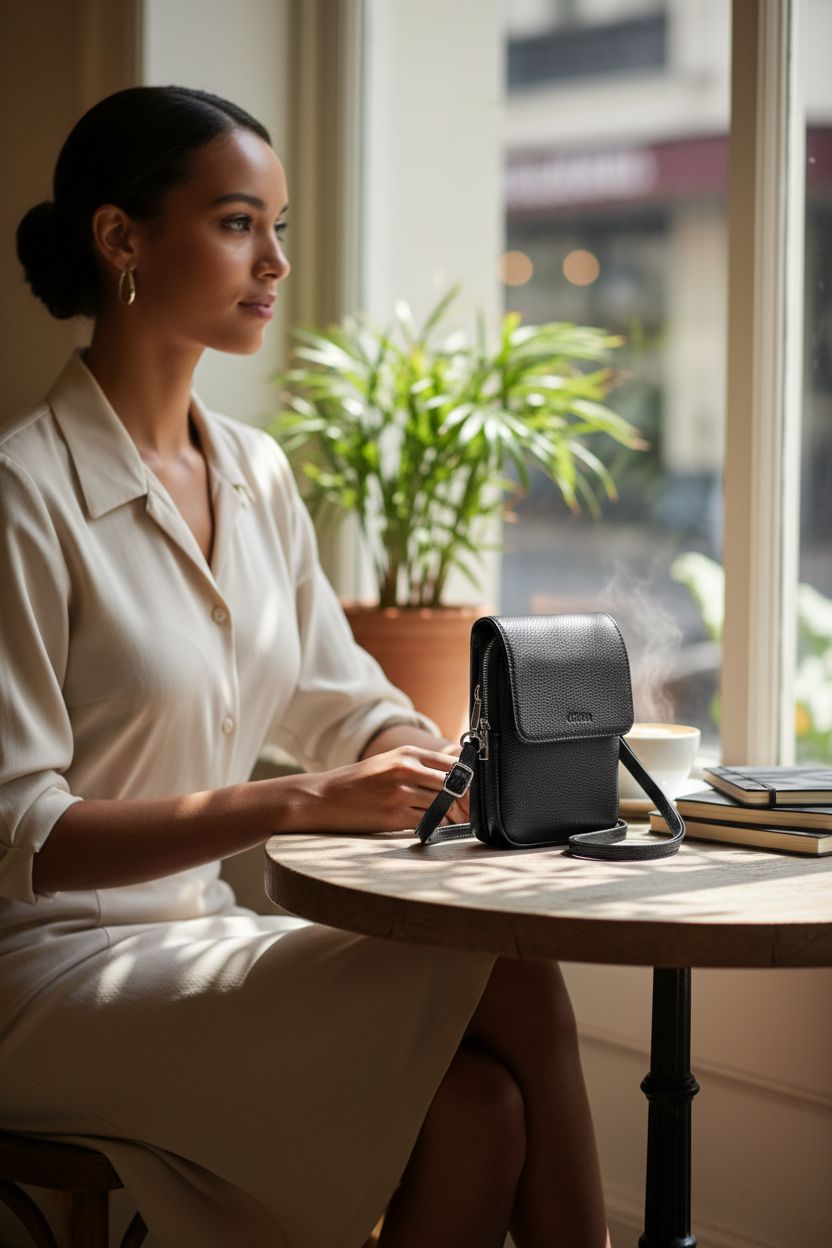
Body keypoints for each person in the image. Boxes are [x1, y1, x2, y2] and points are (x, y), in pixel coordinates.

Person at [1, 85, 610, 1248]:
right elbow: (27, 828)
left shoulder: (256, 473)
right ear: (121, 238)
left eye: (280, 227)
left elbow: (346, 701)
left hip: (199, 934)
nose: (274, 261)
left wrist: (407, 759)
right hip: (43, 977)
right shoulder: (23, 496)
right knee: (515, 978)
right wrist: (297, 799)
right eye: (238, 223)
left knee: (478, 1110)